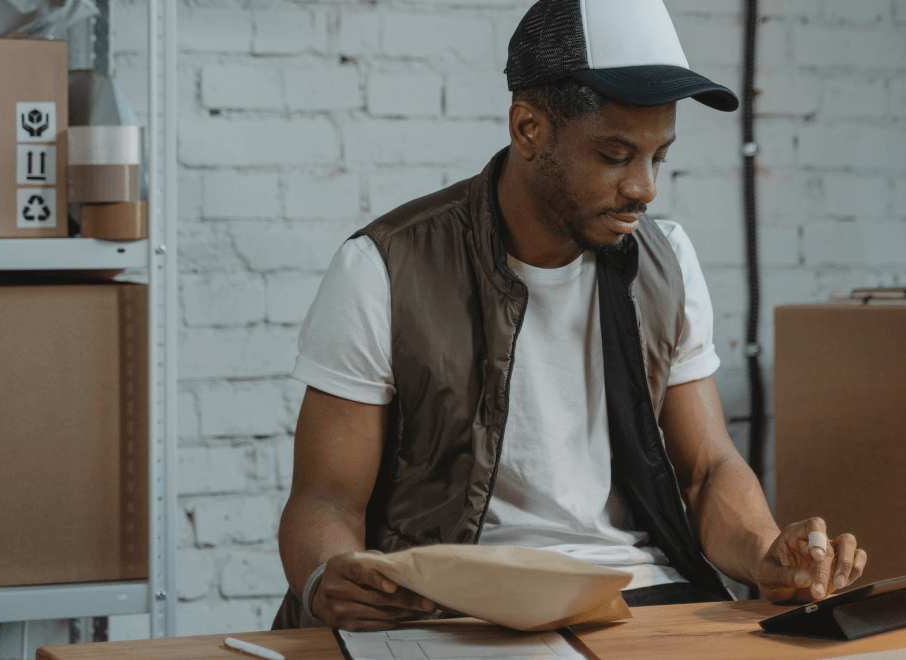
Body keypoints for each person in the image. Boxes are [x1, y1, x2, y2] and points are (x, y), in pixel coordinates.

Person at [273, 0, 867, 632]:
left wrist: (766, 553)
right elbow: (325, 498)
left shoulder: (665, 264)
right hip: (456, 607)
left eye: (658, 156)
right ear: (529, 129)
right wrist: (326, 572)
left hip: (638, 600)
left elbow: (706, 470)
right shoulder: (384, 268)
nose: (645, 188)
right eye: (615, 156)